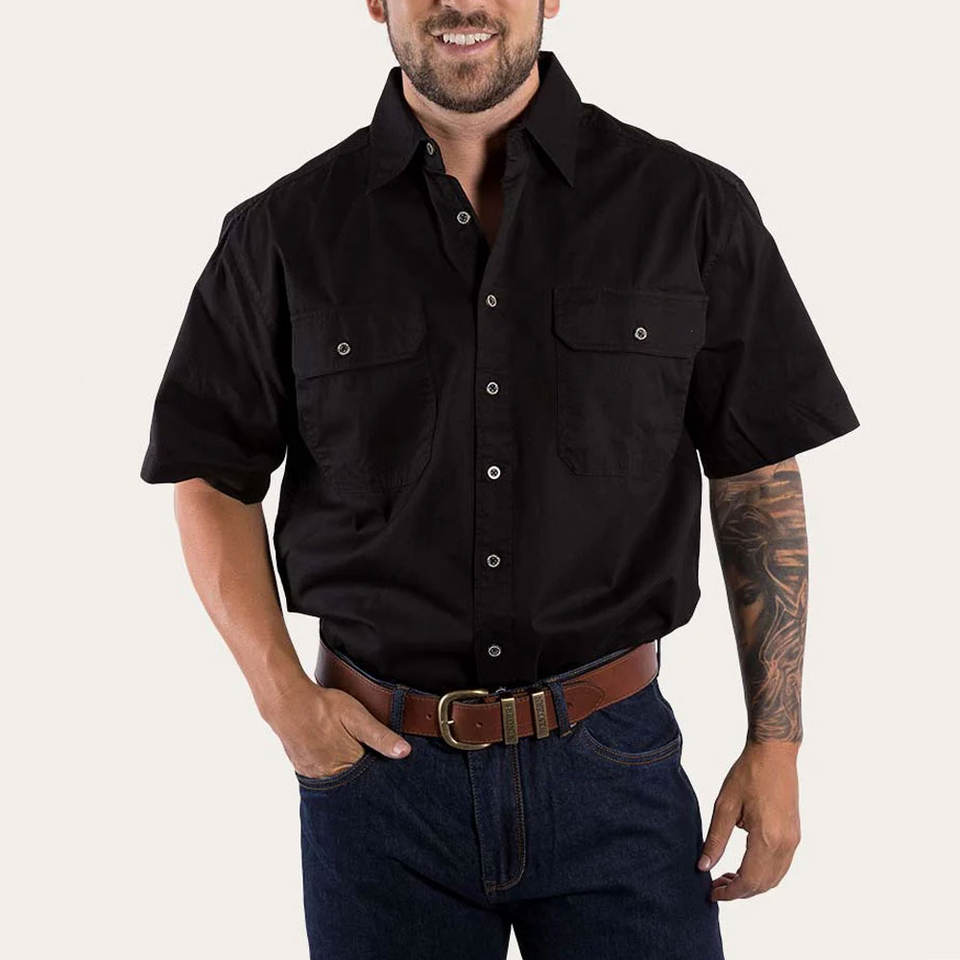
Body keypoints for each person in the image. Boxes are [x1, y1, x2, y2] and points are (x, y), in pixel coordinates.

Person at [139, 2, 860, 957]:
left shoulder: (687, 207)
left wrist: (777, 743)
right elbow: (210, 474)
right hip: (378, 786)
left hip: (617, 769)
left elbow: (755, 473)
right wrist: (285, 705)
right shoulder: (282, 232)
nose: (463, 3)